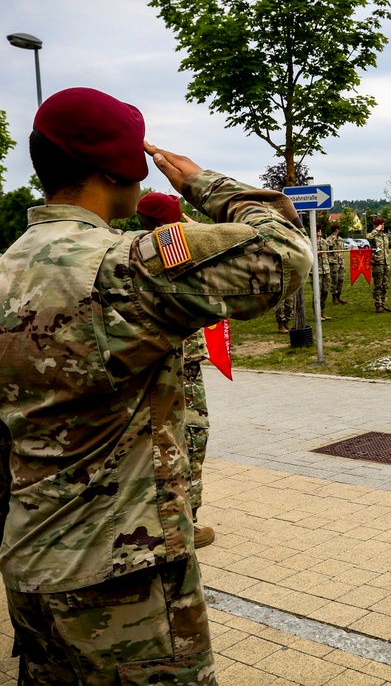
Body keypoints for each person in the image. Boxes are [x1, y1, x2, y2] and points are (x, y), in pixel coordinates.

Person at [0, 87, 312, 683]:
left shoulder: (7, 267)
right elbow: (284, 252)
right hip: (122, 579)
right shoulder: (120, 267)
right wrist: (203, 182)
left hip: (29, 569)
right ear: (117, 169)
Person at [136, 192, 215, 549]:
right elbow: (220, 249)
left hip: (149, 359)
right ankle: (186, 524)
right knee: (190, 438)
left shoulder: (133, 247)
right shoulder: (169, 247)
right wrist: (187, 225)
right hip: (181, 361)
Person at [367, 216, 391, 312]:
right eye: (382, 224)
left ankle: (383, 303)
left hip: (386, 263)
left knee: (385, 285)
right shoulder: (373, 235)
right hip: (378, 263)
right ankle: (378, 305)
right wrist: (376, 230)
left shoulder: (384, 236)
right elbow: (368, 237)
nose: (383, 226)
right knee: (378, 285)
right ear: (378, 225)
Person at [315, 227, 332, 320]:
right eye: (318, 230)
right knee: (318, 292)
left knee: (325, 291)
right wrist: (315, 253)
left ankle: (322, 312)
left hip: (325, 269)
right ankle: (317, 313)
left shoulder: (324, 242)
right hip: (317, 270)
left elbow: (328, 254)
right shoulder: (310, 242)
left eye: (320, 230)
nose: (319, 232)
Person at [328, 222, 347, 305]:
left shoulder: (341, 239)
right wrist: (334, 237)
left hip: (341, 262)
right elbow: (330, 245)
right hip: (334, 262)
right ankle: (334, 297)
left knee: (341, 279)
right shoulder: (329, 239)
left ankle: (339, 296)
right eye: (337, 230)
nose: (338, 231)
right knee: (334, 280)